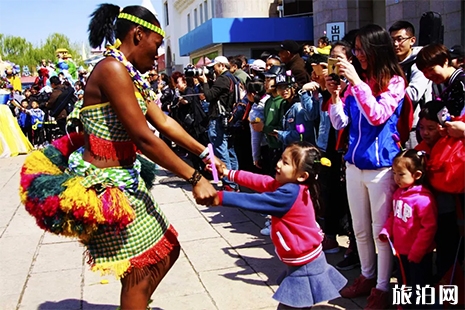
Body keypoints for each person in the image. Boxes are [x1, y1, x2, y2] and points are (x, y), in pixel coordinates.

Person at [19, 4, 221, 309]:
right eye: (156, 44)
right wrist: (194, 177)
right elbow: (144, 137)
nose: (157, 53)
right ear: (138, 34)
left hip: (127, 182)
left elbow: (163, 122)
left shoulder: (130, 74)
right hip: (105, 190)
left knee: (166, 251)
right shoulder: (111, 69)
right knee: (140, 273)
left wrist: (204, 153)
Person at [326, 24, 407, 309]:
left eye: (360, 49)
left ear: (376, 48)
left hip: (382, 168)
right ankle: (366, 276)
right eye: (355, 49)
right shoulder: (355, 82)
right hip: (353, 165)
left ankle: (383, 288)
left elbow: (377, 115)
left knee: (379, 233)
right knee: (359, 229)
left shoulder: (395, 80)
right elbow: (340, 123)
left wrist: (357, 84)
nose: (356, 54)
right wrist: (335, 95)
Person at [211, 141, 347, 309]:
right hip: (303, 261)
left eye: (285, 162)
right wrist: (228, 173)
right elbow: (260, 181)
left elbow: (254, 200)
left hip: (304, 266)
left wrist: (219, 197)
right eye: (281, 158)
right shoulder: (292, 186)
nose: (278, 164)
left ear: (302, 176)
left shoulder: (288, 194)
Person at [379, 150, 437, 309]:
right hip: (400, 251)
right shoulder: (398, 193)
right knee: (402, 281)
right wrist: (386, 231)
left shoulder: (423, 199)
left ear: (417, 175)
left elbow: (428, 228)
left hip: (418, 255)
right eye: (395, 173)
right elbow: (393, 215)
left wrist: (417, 251)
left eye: (401, 174)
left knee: (419, 286)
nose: (396, 178)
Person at [198, 55, 240, 191]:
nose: (213, 70)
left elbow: (209, 96)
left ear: (222, 65)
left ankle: (230, 184)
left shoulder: (223, 79)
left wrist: (204, 82)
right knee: (230, 151)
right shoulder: (233, 78)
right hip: (228, 118)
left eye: (214, 67)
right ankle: (236, 181)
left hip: (218, 120)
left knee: (222, 152)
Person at [389, 20, 432, 148]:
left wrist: (387, 93)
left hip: (413, 128)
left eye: (400, 39)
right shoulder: (391, 64)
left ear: (412, 40)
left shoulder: (419, 63)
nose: (396, 44)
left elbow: (414, 94)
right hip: (394, 126)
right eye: (392, 40)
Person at [416, 43, 465, 117]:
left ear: (445, 61)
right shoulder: (448, 84)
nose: (429, 75)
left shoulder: (461, 83)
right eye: (424, 72)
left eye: (431, 69)